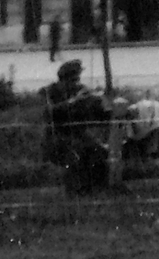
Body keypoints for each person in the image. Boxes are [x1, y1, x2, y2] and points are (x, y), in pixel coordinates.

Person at [43, 60, 109, 192]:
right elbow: (49, 112)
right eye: (73, 80)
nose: (77, 83)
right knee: (77, 153)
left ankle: (98, 189)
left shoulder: (80, 90)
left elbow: (100, 115)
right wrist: (73, 102)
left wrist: (99, 100)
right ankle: (76, 190)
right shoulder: (50, 92)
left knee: (100, 151)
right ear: (64, 80)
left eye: (78, 79)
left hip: (78, 134)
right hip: (58, 136)